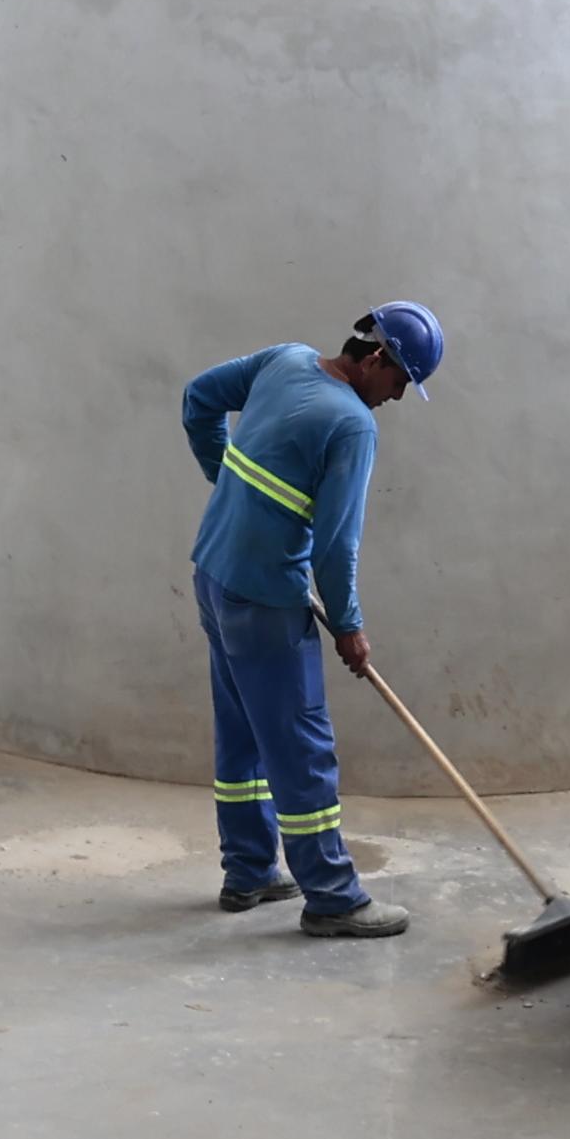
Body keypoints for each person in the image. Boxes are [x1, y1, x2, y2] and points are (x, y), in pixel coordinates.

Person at [178, 303, 446, 937]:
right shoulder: (352, 425)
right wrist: (349, 627)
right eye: (401, 382)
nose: (397, 398)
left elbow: (198, 398)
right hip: (268, 602)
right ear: (378, 360)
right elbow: (335, 545)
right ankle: (331, 896)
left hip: (213, 578)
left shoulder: (284, 359)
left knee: (243, 733)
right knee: (302, 748)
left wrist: (227, 484)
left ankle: (247, 872)